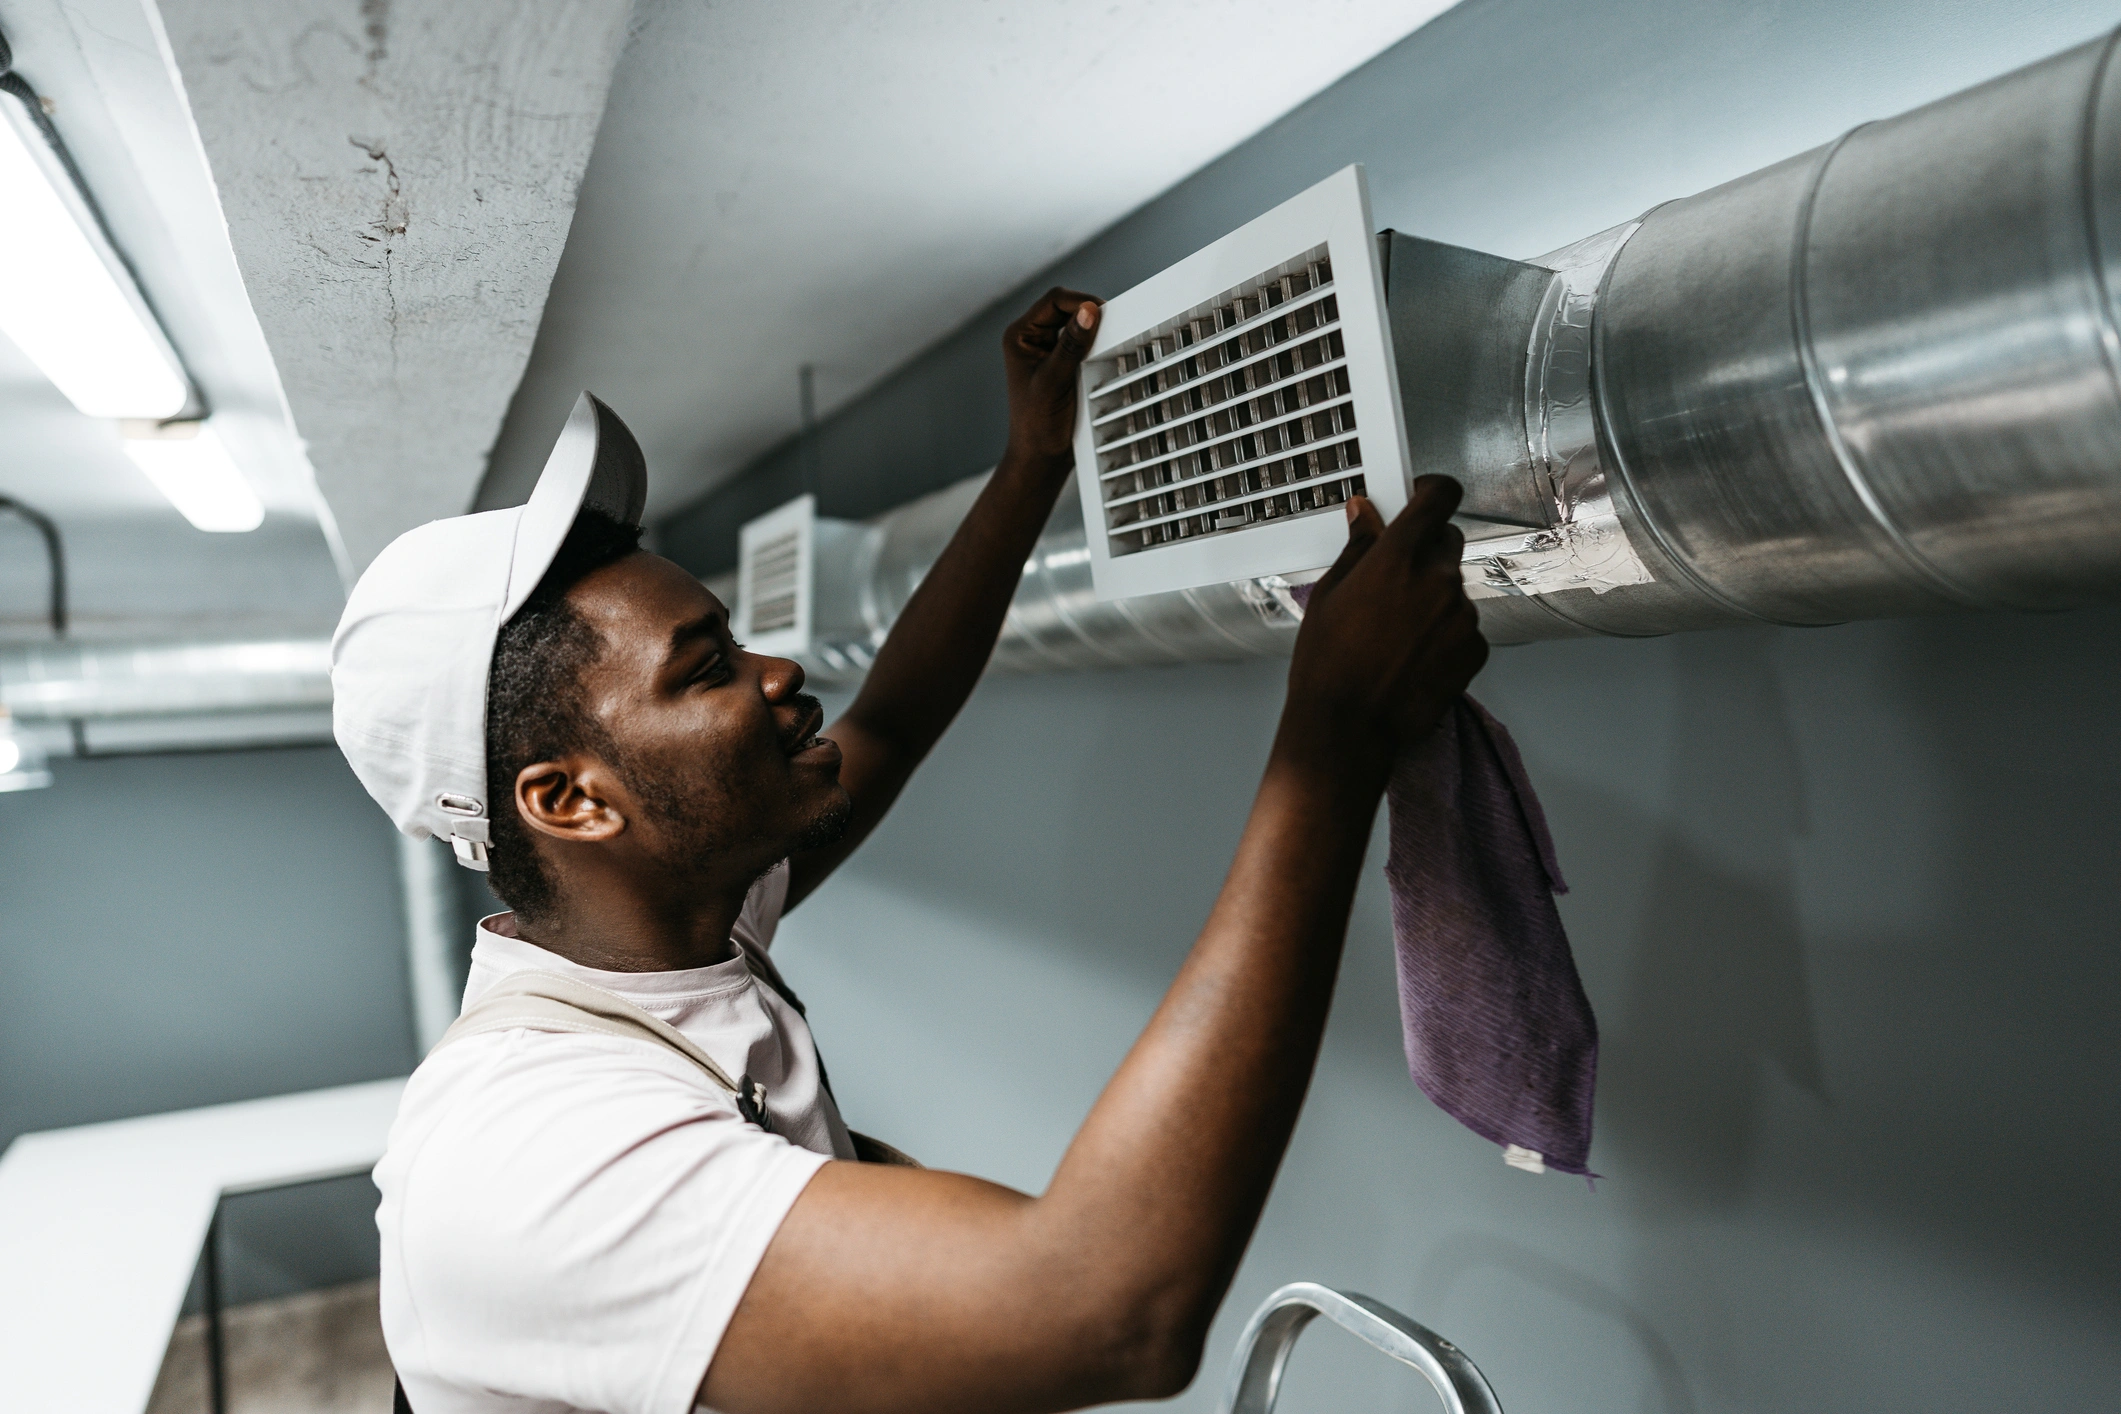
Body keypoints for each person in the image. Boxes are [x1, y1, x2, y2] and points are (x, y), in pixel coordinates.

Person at [330, 287, 1486, 1414]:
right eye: (707, 669)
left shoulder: (670, 924)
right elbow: (1107, 1312)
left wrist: (1034, 458)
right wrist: (1334, 739)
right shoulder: (533, 1157)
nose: (781, 675)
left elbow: (890, 716)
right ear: (571, 803)